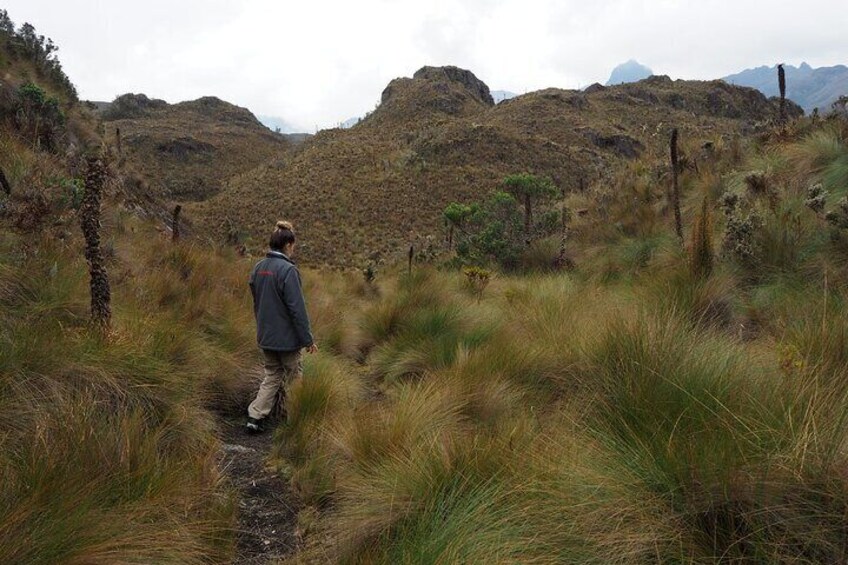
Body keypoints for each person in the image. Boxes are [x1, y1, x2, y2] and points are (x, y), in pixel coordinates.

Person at [245, 220, 317, 434]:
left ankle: (255, 416)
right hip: (287, 340)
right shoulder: (288, 271)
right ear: (287, 245)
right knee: (295, 379)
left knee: (272, 375)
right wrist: (308, 340)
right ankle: (297, 420)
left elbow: (257, 302)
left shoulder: (258, 268)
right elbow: (297, 310)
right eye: (293, 245)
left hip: (266, 336)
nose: (293, 249)